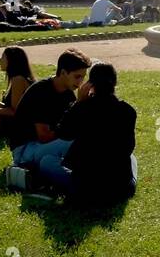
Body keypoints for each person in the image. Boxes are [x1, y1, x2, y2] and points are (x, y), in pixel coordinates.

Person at [39, 61, 138, 206]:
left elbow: (63, 133)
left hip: (85, 186)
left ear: (91, 84)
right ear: (115, 83)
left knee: (46, 161)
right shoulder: (128, 111)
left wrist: (78, 102)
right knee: (132, 158)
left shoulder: (83, 109)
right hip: (119, 186)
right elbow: (128, 148)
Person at [7, 48, 90, 170]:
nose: (80, 82)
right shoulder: (42, 92)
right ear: (63, 73)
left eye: (83, 77)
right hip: (25, 151)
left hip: (44, 146)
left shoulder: (68, 93)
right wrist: (78, 107)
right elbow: (44, 136)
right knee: (79, 142)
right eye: (77, 77)